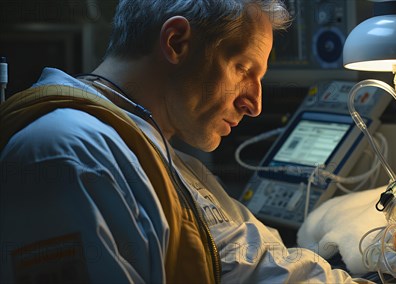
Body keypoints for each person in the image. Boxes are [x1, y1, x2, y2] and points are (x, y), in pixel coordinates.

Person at [0, 0, 369, 283]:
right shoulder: (66, 155)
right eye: (244, 69)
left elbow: (261, 262)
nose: (254, 104)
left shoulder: (166, 159)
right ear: (176, 42)